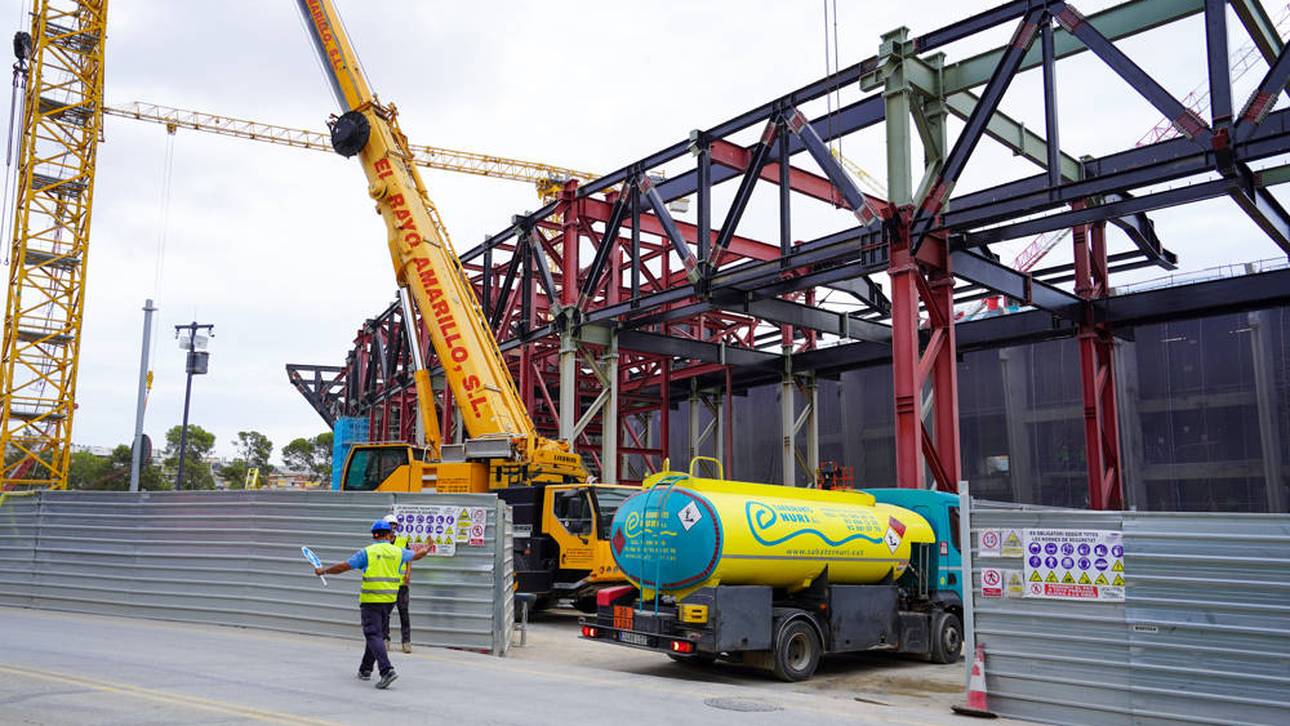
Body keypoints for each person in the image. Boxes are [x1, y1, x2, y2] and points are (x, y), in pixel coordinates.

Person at [313, 518, 429, 689]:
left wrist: (324, 570)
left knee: (373, 634)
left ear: (374, 535)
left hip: (371, 600)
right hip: (389, 600)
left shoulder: (367, 552)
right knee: (376, 634)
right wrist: (427, 548)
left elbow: (344, 566)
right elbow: (417, 555)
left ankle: (386, 670)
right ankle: (366, 669)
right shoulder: (398, 551)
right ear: (389, 535)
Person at [382, 513, 413, 654]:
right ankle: (385, 640)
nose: (392, 528)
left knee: (404, 613)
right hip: (387, 585)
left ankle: (406, 642)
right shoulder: (381, 544)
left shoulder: (402, 541)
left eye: (394, 525)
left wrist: (407, 574)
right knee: (385, 614)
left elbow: (409, 559)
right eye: (390, 525)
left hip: (401, 585)